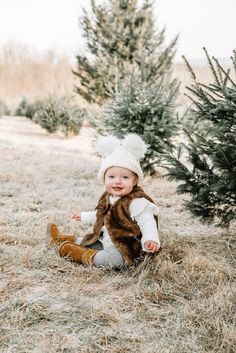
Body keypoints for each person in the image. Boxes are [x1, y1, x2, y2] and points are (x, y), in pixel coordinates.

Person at [47, 134, 160, 269]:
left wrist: (150, 239)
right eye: (111, 176)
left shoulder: (137, 202)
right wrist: (84, 216)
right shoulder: (108, 197)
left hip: (127, 250)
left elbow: (148, 223)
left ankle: (82, 255)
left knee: (111, 258)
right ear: (104, 178)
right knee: (91, 241)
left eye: (125, 177)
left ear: (134, 181)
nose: (117, 181)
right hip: (107, 241)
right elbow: (101, 216)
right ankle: (60, 240)